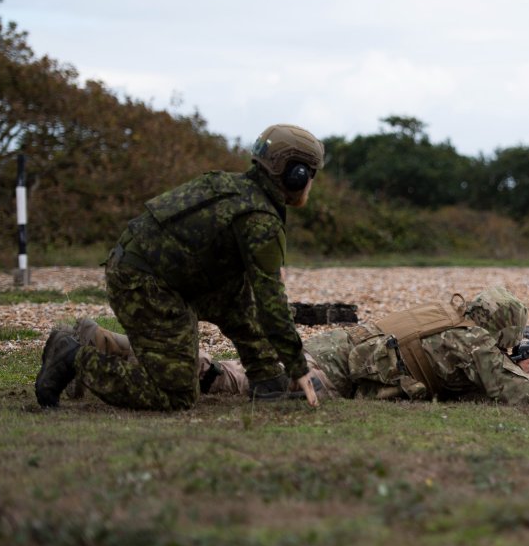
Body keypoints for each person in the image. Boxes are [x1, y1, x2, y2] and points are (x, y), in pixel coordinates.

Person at [33, 124, 325, 411]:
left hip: (160, 273)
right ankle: (73, 357)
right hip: (145, 283)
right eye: (310, 174)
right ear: (295, 174)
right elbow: (271, 301)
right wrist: (299, 367)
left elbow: (246, 297)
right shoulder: (261, 220)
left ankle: (269, 381)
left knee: (239, 300)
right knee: (175, 394)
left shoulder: (234, 187)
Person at [67, 286, 529, 406]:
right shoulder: (476, 343)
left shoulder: (446, 316)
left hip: (331, 346)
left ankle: (125, 345)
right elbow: (518, 397)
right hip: (334, 372)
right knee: (231, 384)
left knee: (232, 369)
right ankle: (86, 361)